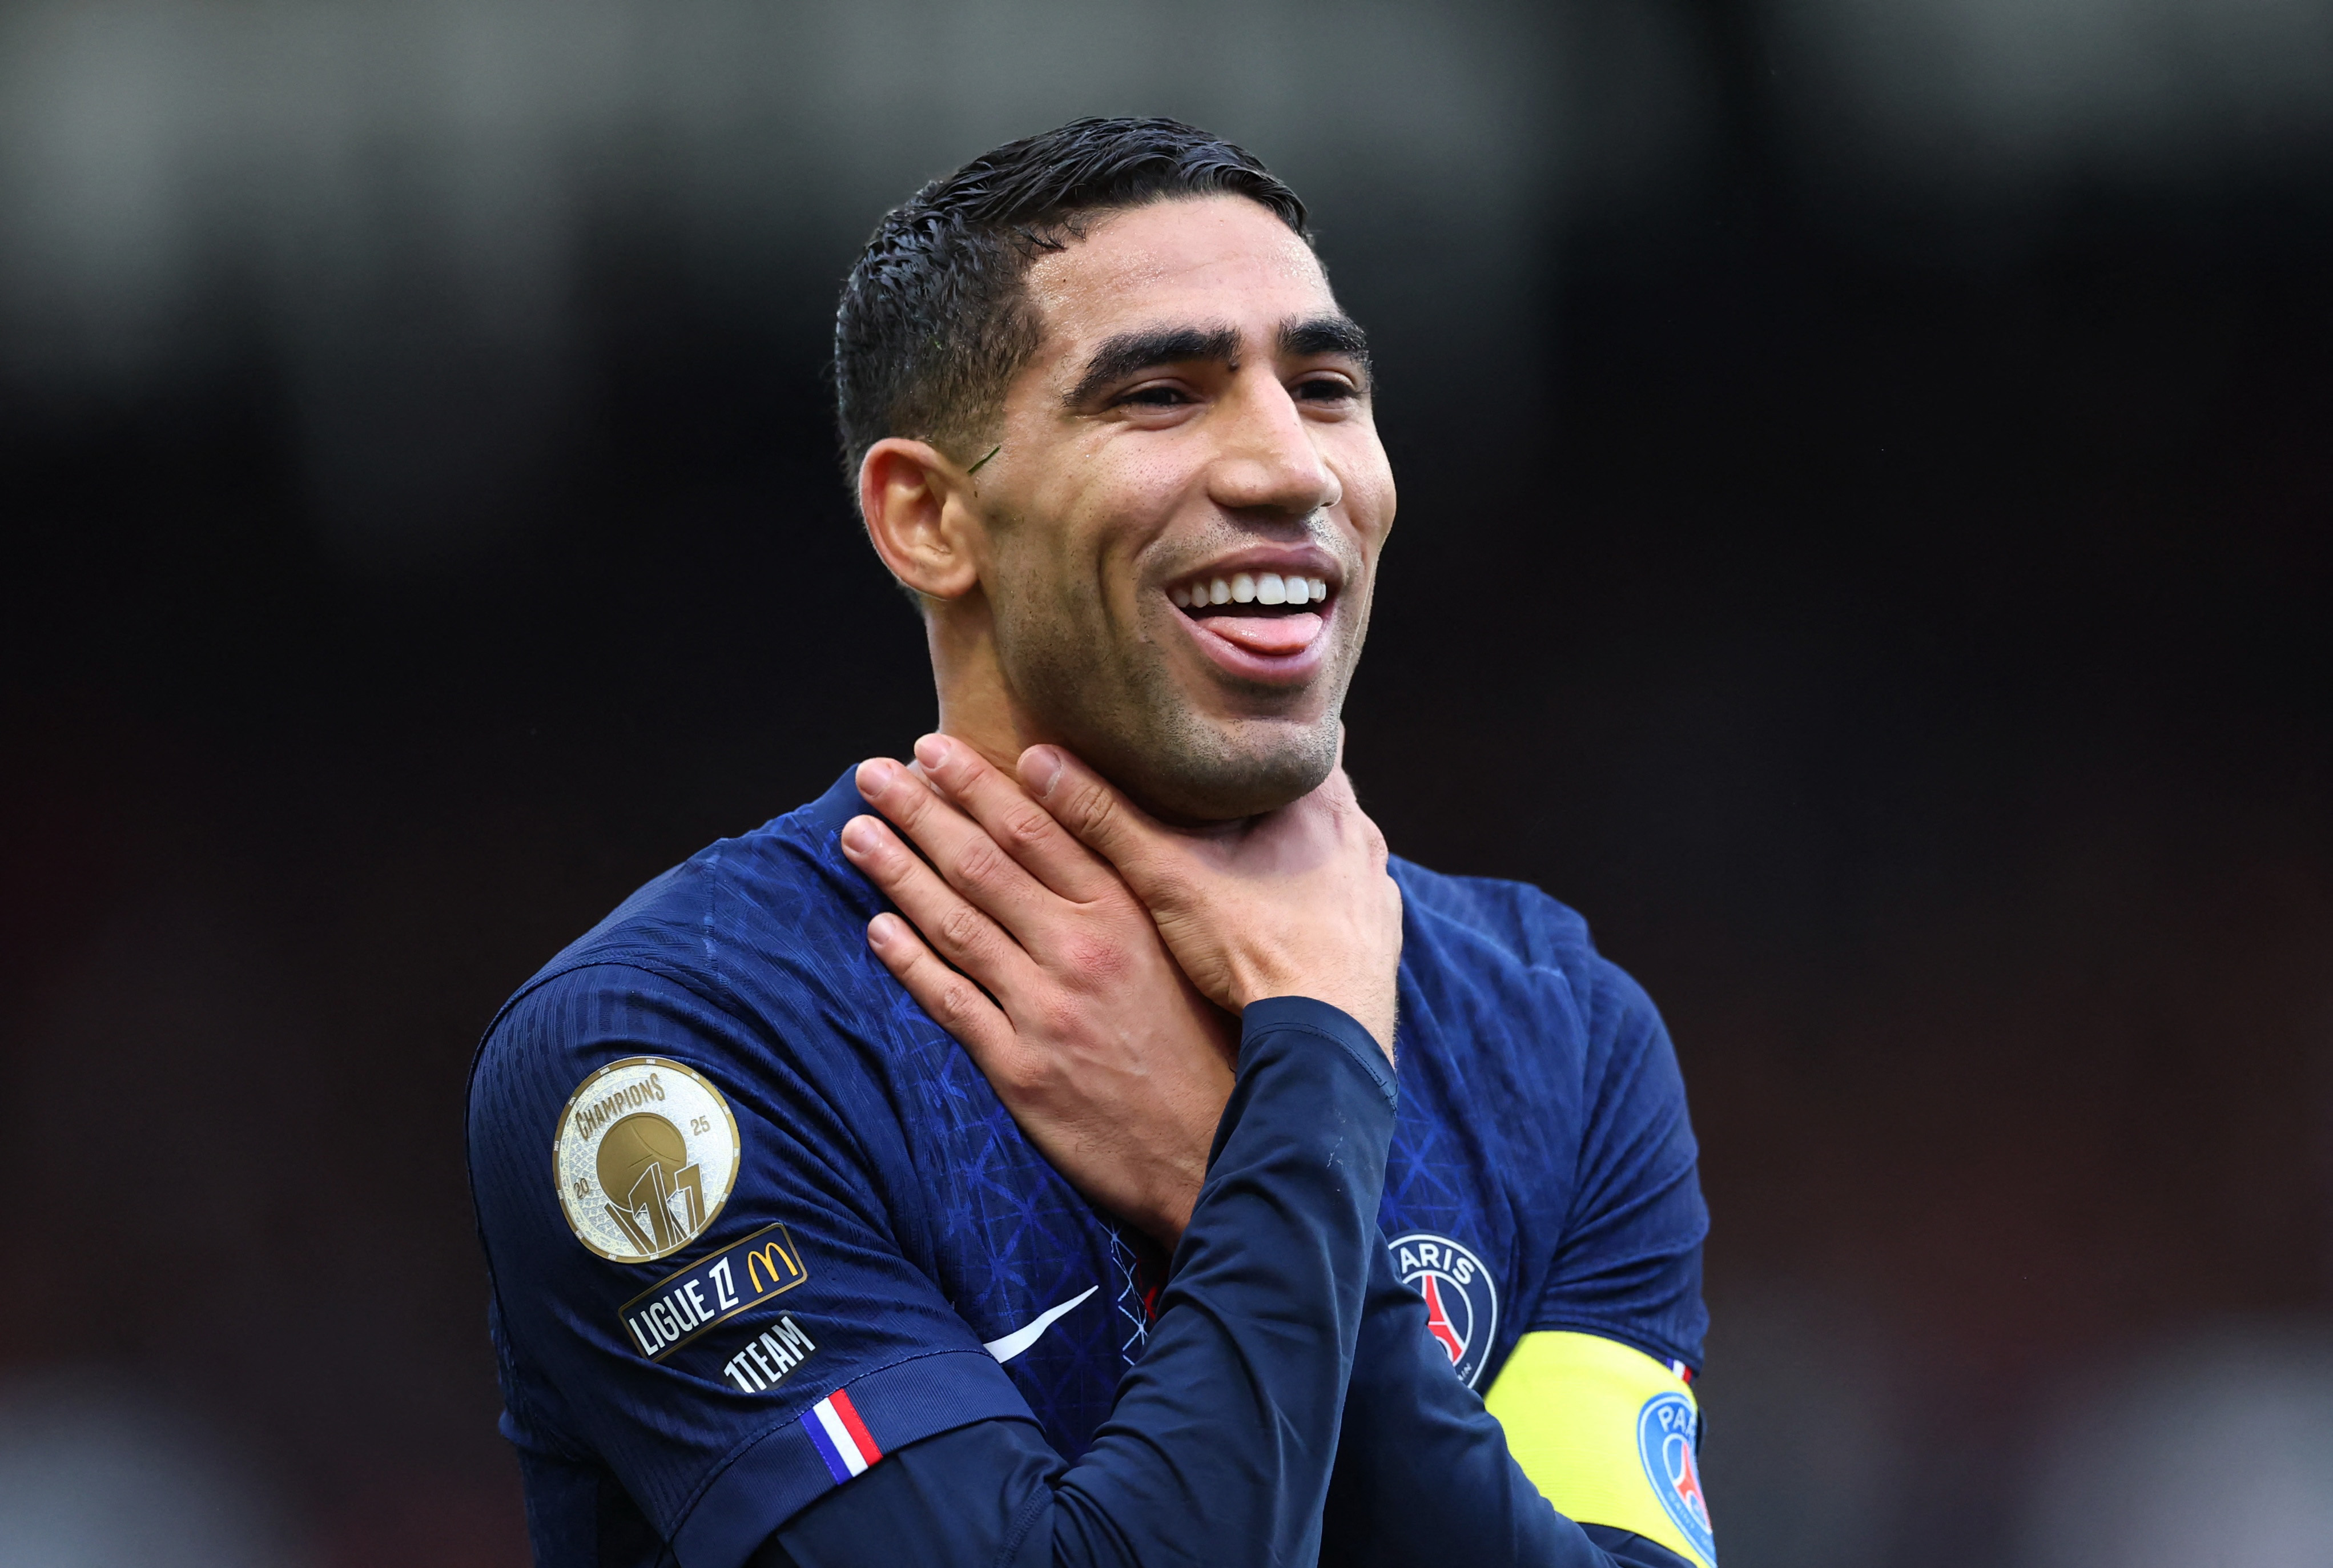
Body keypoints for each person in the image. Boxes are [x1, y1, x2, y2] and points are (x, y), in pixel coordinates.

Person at [466, 117, 1713, 1568]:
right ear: (930, 518)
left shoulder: (1556, 1030)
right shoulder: (674, 1050)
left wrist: (1231, 1153)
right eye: (1161, 395)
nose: (1288, 468)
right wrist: (1308, 1091)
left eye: (1324, 389)